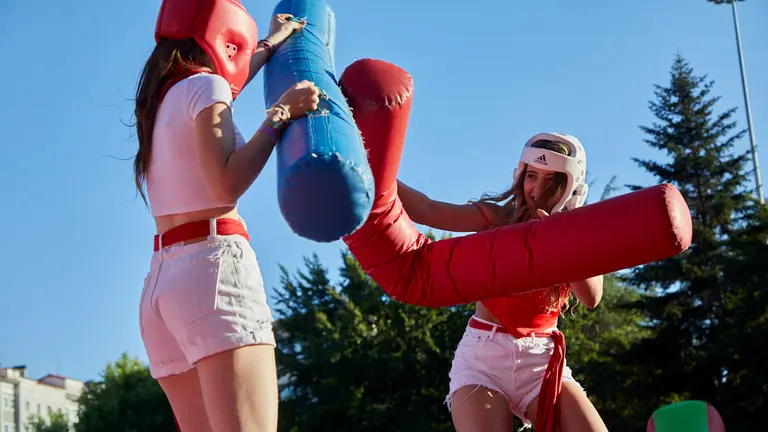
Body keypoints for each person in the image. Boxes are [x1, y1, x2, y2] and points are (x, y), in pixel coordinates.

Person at [133, 1, 320, 431]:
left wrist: (273, 42)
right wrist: (280, 115)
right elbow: (224, 184)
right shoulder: (205, 87)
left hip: (162, 289)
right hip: (214, 273)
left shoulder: (162, 99)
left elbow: (228, 85)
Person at [397, 133, 608, 432]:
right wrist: (370, 170)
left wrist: (564, 239)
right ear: (520, 175)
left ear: (570, 188)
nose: (537, 188)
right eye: (532, 175)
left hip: (543, 361)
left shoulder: (578, 231)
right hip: (484, 356)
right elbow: (427, 209)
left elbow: (591, 297)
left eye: (552, 181)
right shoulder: (498, 218)